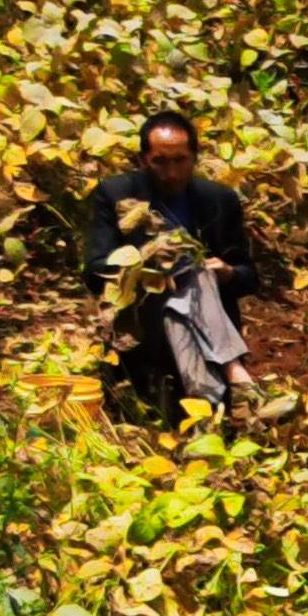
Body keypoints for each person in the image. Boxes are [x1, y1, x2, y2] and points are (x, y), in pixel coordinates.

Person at [86, 114, 270, 427]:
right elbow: (94, 271)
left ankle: (205, 414)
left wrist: (227, 272)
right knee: (183, 271)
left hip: (201, 321)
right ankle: (235, 372)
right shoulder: (115, 195)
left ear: (195, 157)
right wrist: (144, 266)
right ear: (144, 159)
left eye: (180, 161)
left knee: (194, 272)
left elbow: (249, 276)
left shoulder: (220, 200)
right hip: (143, 319)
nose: (171, 172)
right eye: (160, 162)